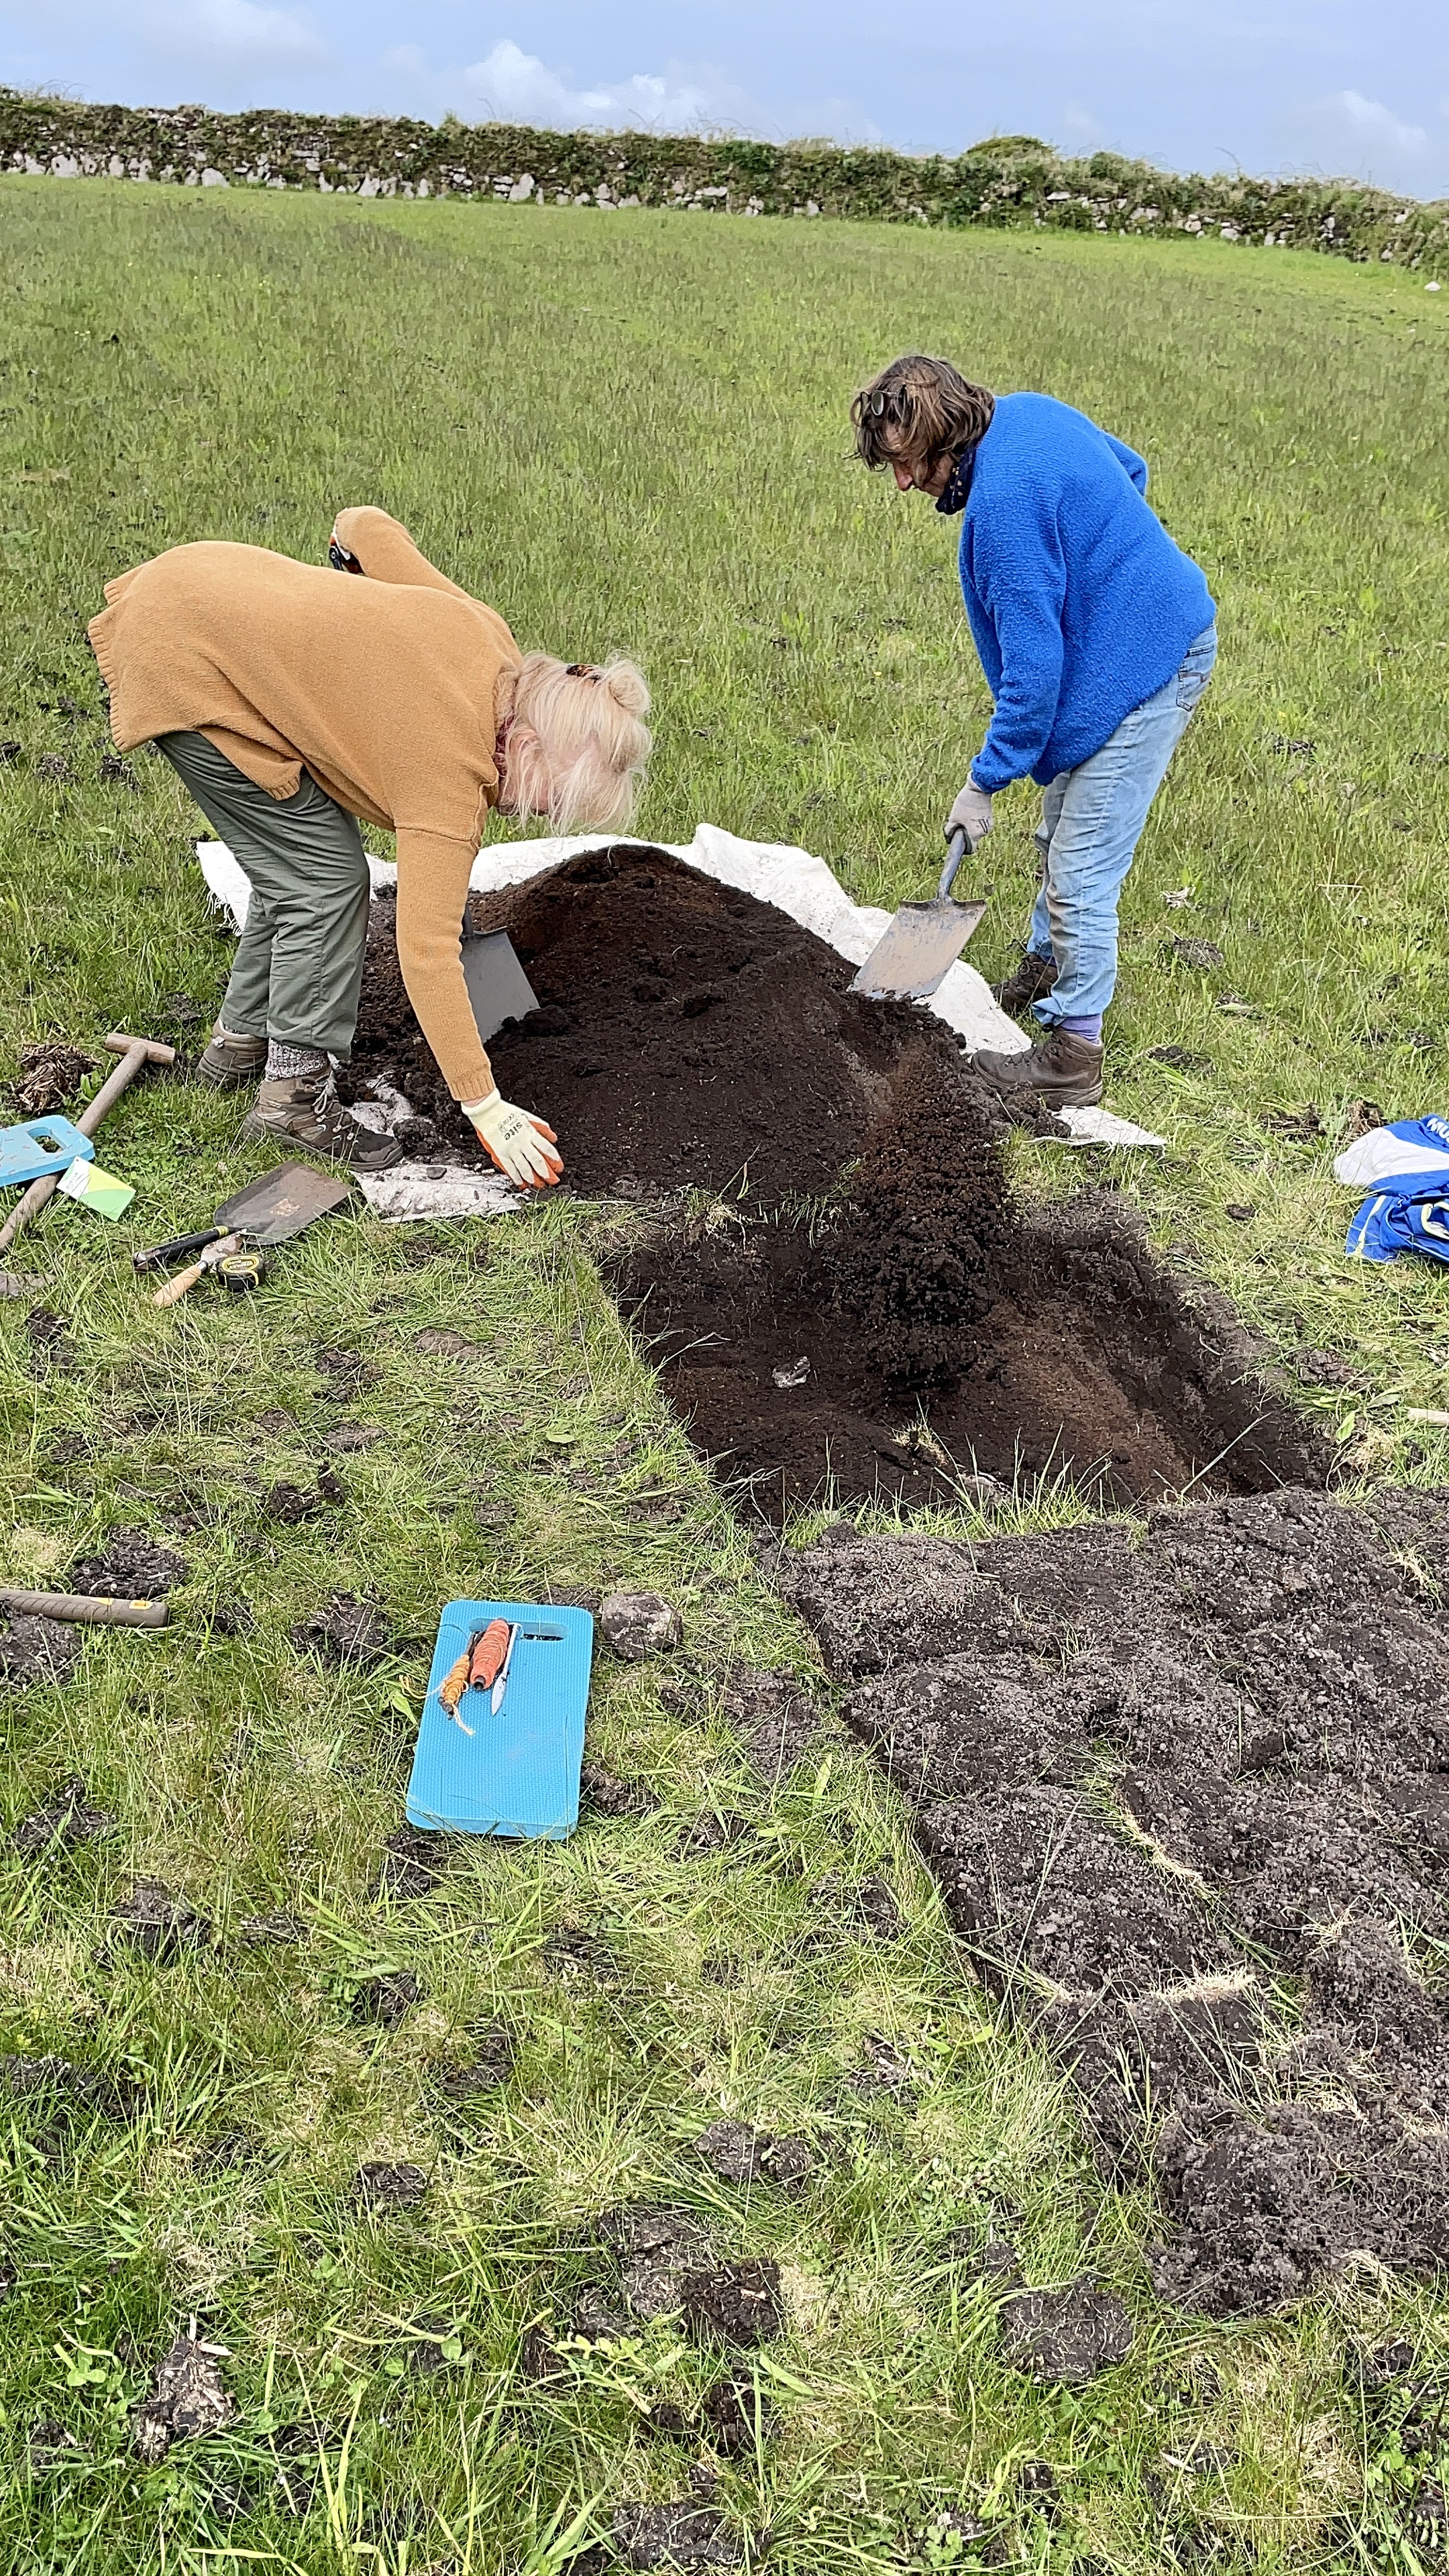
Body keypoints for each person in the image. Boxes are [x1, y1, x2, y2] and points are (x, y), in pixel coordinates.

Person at [88, 508, 651, 1180]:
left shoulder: (491, 641)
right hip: (188, 664)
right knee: (324, 882)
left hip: (201, 584)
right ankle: (293, 1100)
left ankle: (240, 1044)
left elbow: (367, 527)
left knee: (297, 859)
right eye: (552, 797)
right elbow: (427, 953)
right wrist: (484, 1102)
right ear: (526, 746)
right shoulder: (448, 780)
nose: (539, 812)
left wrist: (346, 547)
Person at [851, 355, 1216, 1108]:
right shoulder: (1029, 411)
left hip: (1153, 667)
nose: (902, 483)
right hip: (1129, 651)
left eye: (909, 463)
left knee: (1081, 870)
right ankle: (1048, 967)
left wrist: (983, 781)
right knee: (1058, 833)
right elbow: (1131, 470)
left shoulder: (1003, 513)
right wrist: (1100, 582)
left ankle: (1074, 1054)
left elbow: (1032, 680)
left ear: (948, 439)